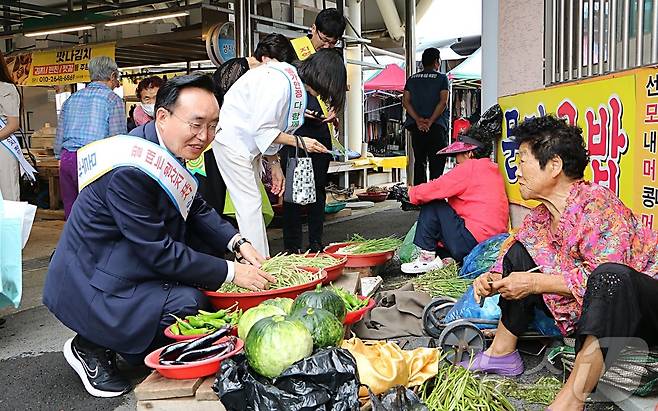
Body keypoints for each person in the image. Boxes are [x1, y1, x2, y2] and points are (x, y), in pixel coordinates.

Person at [43, 73, 275, 398]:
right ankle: (91, 344)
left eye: (212, 125)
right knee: (188, 303)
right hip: (91, 279)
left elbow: (194, 207)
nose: (204, 136)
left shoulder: (161, 145)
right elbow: (160, 253)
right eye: (196, 124)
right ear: (162, 116)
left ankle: (127, 343)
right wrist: (233, 272)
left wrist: (238, 242)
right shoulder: (130, 168)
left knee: (195, 292)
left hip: (121, 260)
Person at [467, 115, 658, 410]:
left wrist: (532, 282)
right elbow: (513, 259)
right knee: (519, 253)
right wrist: (491, 280)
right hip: (594, 307)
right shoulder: (540, 217)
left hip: (643, 307)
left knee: (609, 277)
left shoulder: (597, 205)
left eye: (522, 160)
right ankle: (502, 351)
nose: (516, 170)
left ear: (554, 165)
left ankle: (571, 400)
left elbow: (603, 279)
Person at [213, 49, 347, 257]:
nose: (324, 95)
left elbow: (270, 130)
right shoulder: (279, 82)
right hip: (233, 143)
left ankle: (257, 262)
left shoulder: (289, 79)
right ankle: (258, 265)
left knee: (251, 204)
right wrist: (303, 142)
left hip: (249, 147)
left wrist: (275, 164)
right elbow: (264, 129)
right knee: (250, 205)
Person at [194, 34, 297, 223]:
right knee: (219, 199)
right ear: (266, 59)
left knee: (244, 203)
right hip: (217, 142)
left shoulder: (263, 77)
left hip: (241, 146)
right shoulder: (239, 70)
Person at [400, 125, 509, 273]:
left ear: (469, 153)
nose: (456, 159)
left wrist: (411, 192)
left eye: (459, 154)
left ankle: (426, 259)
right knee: (446, 217)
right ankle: (447, 259)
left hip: (472, 241)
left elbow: (435, 188)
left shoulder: (470, 167)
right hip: (491, 243)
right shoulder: (492, 169)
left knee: (434, 204)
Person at [282, 8, 347, 253]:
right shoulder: (293, 49)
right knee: (294, 190)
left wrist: (335, 113)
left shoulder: (334, 57)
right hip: (295, 129)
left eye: (333, 42)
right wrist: (296, 110)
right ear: (313, 29)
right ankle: (291, 246)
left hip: (321, 130)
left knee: (318, 187)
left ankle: (316, 242)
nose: (327, 46)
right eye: (324, 40)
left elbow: (336, 92)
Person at [54, 56, 127, 219]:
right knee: (95, 212)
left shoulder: (72, 98)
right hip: (94, 161)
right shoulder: (113, 99)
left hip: (67, 159)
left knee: (72, 210)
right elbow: (118, 138)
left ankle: (71, 244)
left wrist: (59, 156)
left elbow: (59, 134)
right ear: (113, 75)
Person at [403, 48, 450, 185]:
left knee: (420, 161)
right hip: (436, 127)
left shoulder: (412, 79)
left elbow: (405, 101)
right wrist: (430, 122)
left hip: (416, 128)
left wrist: (418, 120)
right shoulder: (442, 78)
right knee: (437, 163)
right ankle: (434, 198)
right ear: (436, 62)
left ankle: (420, 197)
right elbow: (443, 101)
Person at [0, 50, 21, 201]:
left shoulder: (6, 89)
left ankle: (11, 225)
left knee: (8, 194)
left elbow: (13, 124)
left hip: (3, 147)